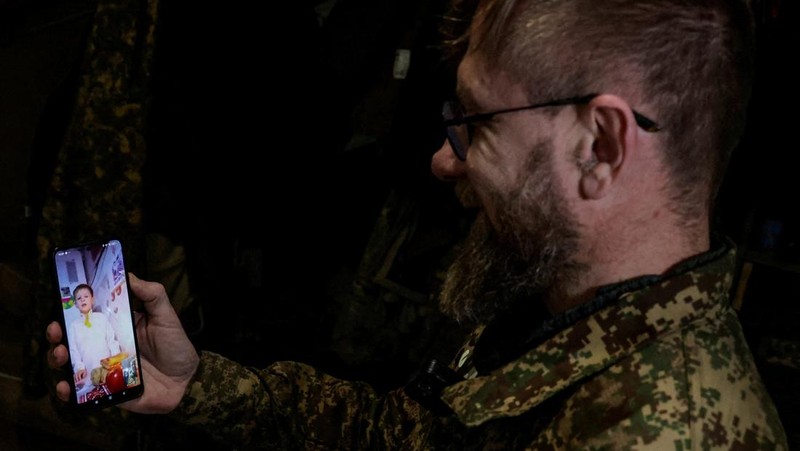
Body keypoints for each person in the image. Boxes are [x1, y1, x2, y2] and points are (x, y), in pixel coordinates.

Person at [46, 0, 788, 448]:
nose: (443, 158)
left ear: (599, 146)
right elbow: (410, 437)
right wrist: (198, 386)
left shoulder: (660, 430)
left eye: (475, 124)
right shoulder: (563, 305)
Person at [67, 284, 122, 388]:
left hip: (109, 368)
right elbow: (73, 350)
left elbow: (111, 340)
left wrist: (116, 358)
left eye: (86, 297)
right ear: (75, 304)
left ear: (92, 299)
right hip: (88, 373)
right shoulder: (73, 326)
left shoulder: (102, 318)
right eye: (79, 298)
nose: (83, 300)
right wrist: (79, 368)